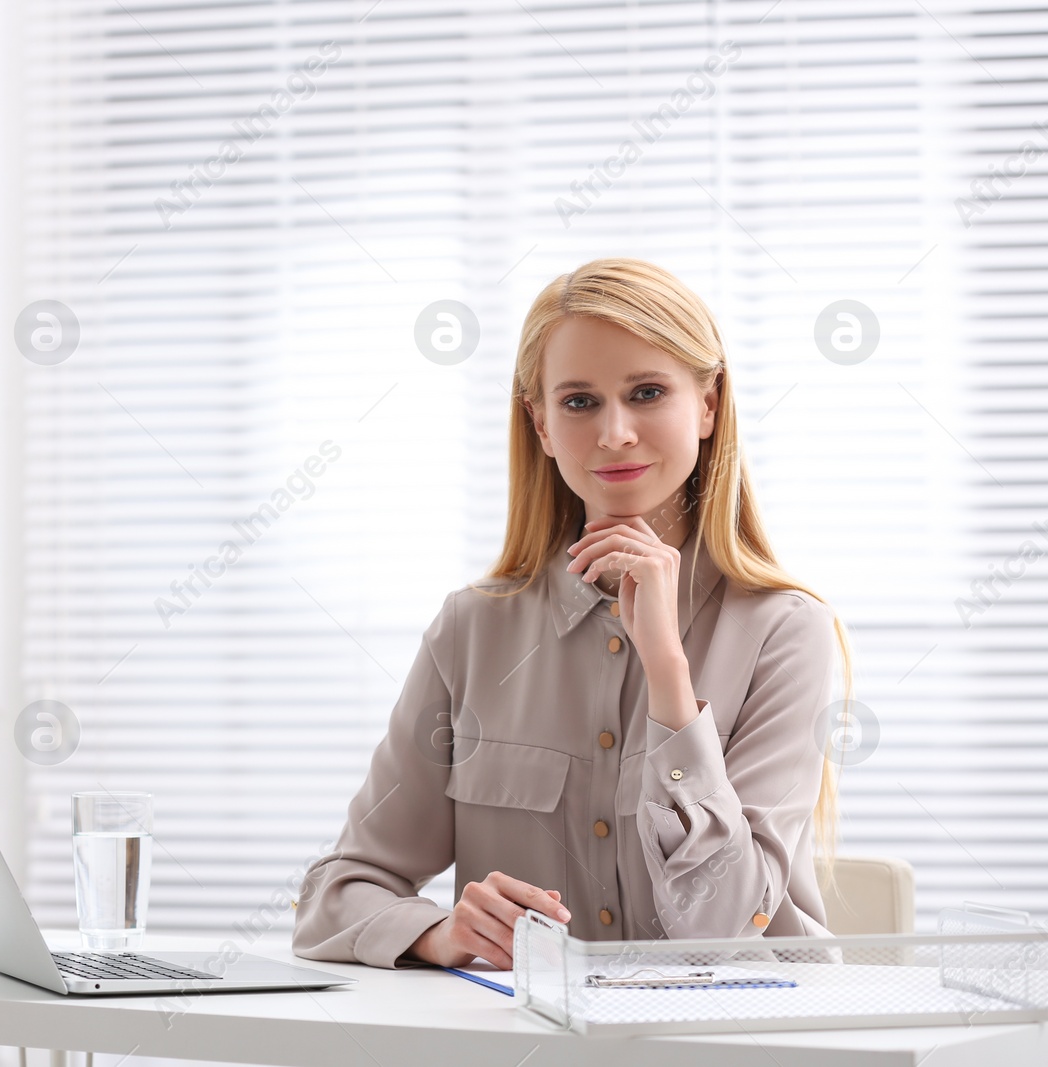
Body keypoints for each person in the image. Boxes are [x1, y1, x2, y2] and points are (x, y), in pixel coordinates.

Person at [291, 258, 854, 971]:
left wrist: (668, 675)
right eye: (580, 402)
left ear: (708, 405)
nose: (615, 432)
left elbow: (723, 923)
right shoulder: (471, 629)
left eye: (647, 392)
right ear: (542, 424)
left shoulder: (786, 630)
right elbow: (337, 892)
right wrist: (443, 934)